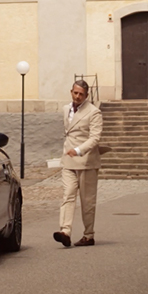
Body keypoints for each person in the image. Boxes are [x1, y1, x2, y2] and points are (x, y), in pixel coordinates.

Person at [53, 80, 102, 248]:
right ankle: (65, 231)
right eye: (75, 93)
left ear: (86, 95)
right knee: (68, 195)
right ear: (71, 92)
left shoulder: (94, 112)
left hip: (86, 161)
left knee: (87, 201)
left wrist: (79, 150)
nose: (78, 96)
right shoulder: (66, 109)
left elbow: (95, 138)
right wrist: (68, 151)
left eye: (81, 94)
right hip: (68, 161)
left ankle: (89, 235)